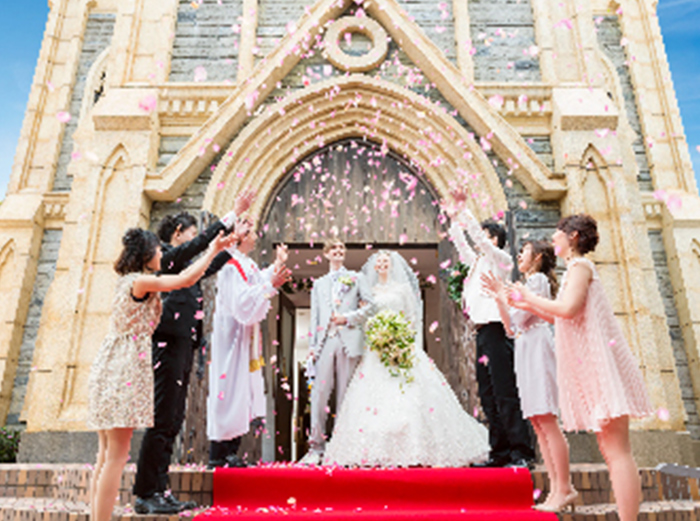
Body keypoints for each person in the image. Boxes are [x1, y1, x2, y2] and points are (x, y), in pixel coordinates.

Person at [507, 214, 653, 518]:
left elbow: (568, 309)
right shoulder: (575, 269)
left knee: (617, 451)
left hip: (601, 365)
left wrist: (530, 297)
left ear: (572, 236)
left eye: (557, 233)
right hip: (593, 365)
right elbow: (558, 315)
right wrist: (527, 304)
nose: (553, 239)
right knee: (611, 450)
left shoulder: (580, 267)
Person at [87, 227, 236, 521]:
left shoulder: (127, 281)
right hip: (124, 367)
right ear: (146, 254)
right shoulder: (141, 281)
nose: (161, 253)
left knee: (105, 455)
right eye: (157, 249)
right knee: (116, 456)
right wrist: (213, 250)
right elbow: (186, 279)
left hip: (110, 364)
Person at [132, 189, 255, 514]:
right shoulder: (167, 258)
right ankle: (146, 492)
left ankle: (160, 490)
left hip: (184, 342)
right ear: (177, 233)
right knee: (162, 418)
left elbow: (209, 264)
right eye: (191, 232)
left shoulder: (184, 263)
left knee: (173, 418)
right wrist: (231, 215)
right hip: (168, 341)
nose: (194, 238)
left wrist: (233, 244)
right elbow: (198, 246)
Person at [323, 251, 490, 467]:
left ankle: (415, 446)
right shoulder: (369, 291)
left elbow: (412, 317)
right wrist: (374, 333)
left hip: (401, 343)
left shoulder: (402, 289)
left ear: (392, 265)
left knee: (409, 393)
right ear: (375, 267)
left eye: (386, 261)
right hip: (376, 347)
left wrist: (404, 339)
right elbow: (365, 318)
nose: (382, 264)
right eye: (379, 261)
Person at [481, 240, 575, 511]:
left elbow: (522, 318)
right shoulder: (525, 284)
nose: (520, 254)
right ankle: (556, 488)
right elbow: (510, 327)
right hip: (524, 347)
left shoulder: (537, 281)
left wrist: (508, 296)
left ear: (538, 257)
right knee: (536, 421)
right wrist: (500, 297)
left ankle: (564, 487)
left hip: (537, 348)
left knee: (547, 420)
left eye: (525, 251)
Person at [446, 189, 534, 468]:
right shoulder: (476, 265)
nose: (480, 240)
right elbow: (461, 243)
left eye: (485, 235)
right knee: (487, 393)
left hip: (497, 331)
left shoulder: (501, 260)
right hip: (482, 333)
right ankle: (500, 452)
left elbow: (479, 241)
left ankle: (521, 452)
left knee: (505, 391)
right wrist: (454, 218)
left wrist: (465, 210)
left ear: (495, 239)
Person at [207, 219, 291, 467]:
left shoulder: (247, 263)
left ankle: (231, 449)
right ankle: (218, 452)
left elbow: (258, 280)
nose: (255, 236)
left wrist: (277, 266)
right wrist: (269, 286)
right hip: (230, 335)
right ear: (240, 237)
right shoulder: (230, 265)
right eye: (250, 233)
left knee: (241, 390)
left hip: (243, 335)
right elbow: (242, 301)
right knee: (228, 389)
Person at [299, 238, 376, 465]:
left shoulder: (356, 278)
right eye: (333, 248)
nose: (338, 251)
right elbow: (315, 317)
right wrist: (312, 346)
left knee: (345, 396)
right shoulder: (319, 284)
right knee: (318, 395)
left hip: (348, 340)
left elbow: (371, 306)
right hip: (325, 342)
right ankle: (316, 448)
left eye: (341, 248)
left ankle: (343, 448)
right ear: (326, 254)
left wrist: (348, 318)